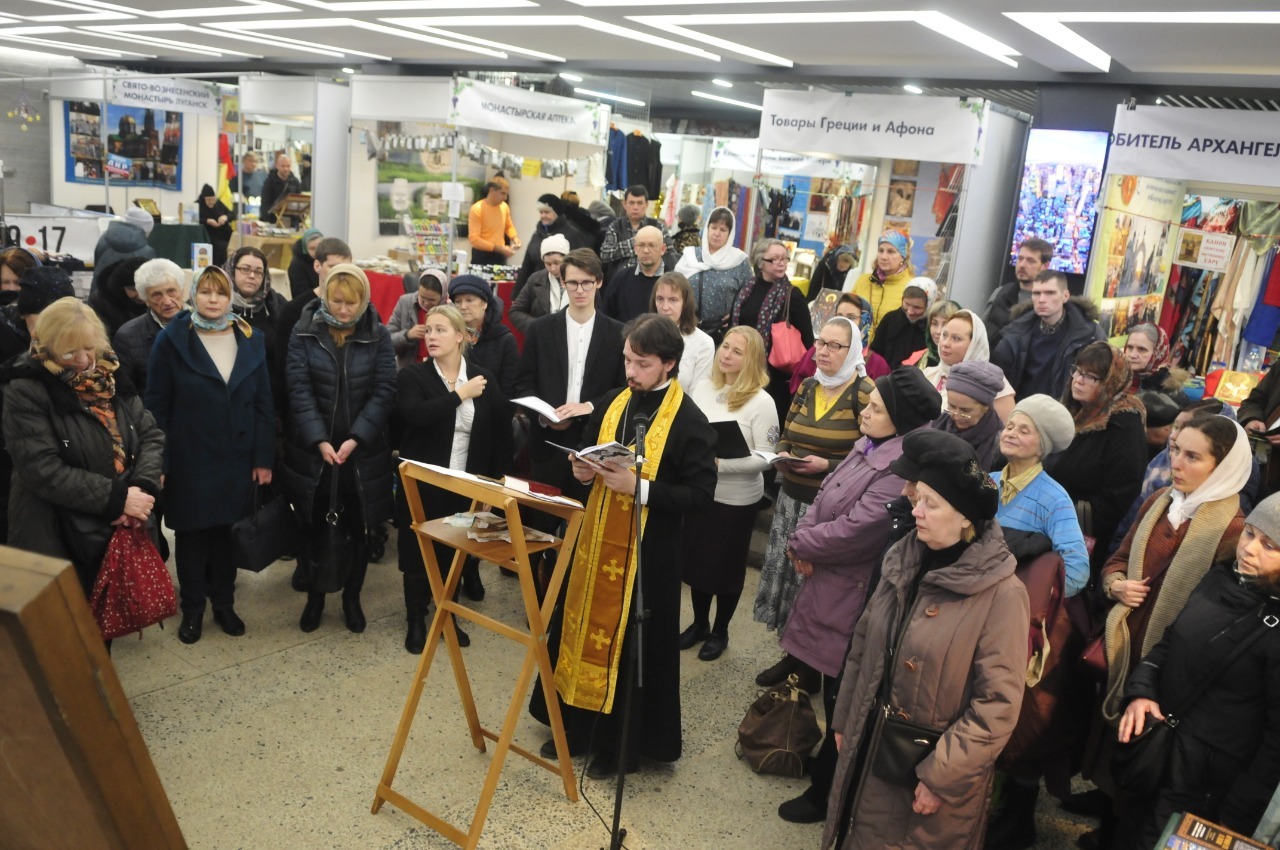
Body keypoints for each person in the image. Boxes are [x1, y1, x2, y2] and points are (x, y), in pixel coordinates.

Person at [820, 430, 1029, 850]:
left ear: (966, 516)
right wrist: (844, 720)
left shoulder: (1002, 594)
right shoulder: (903, 556)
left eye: (932, 504)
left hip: (929, 781)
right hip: (868, 751)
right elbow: (863, 645)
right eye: (918, 500)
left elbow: (997, 706)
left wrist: (940, 778)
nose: (917, 511)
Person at [531, 313, 717, 780]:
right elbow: (592, 461)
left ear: (670, 364)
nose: (631, 371)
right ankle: (574, 727)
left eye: (643, 363)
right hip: (594, 546)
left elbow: (700, 495)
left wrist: (642, 489)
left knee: (630, 648)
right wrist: (580, 473)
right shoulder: (613, 401)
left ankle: (617, 746)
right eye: (627, 359)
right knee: (575, 631)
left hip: (645, 558)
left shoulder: (690, 421)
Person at [776, 367, 942, 825]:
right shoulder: (868, 444)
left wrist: (804, 544)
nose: (864, 412)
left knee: (843, 696)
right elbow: (825, 496)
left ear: (902, 420)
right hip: (828, 578)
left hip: (853, 588)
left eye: (875, 408)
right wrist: (800, 537)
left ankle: (828, 792)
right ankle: (826, 774)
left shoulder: (898, 466)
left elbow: (860, 530)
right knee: (833, 685)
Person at [1113, 492, 1280, 850]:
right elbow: (1170, 641)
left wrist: (1236, 814)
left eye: (1271, 546)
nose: (1250, 549)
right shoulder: (1220, 577)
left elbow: (1276, 741)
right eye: (1250, 534)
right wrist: (1141, 692)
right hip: (1160, 751)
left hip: (1205, 784)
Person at [146, 267, 275, 644]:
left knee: (225, 537)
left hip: (237, 457)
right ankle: (193, 611)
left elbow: (265, 405)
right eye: (205, 292)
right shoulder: (171, 341)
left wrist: (263, 458)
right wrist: (161, 464)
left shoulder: (250, 338)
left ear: (230, 296)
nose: (213, 300)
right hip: (190, 459)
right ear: (193, 296)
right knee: (191, 538)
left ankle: (224, 604)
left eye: (220, 293)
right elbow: (156, 408)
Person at [4, 297, 163, 601]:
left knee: (107, 626)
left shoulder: (109, 373)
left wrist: (140, 490)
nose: (81, 359)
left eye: (88, 347)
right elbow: (41, 469)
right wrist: (117, 499)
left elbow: (151, 436)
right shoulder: (26, 385)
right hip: (57, 533)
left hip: (117, 526)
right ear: (46, 345)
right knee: (66, 631)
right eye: (68, 351)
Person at [753, 317, 873, 690]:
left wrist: (828, 466)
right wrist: (784, 453)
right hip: (792, 498)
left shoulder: (864, 391)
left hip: (828, 509)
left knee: (814, 587)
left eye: (834, 345)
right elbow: (787, 434)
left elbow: (871, 457)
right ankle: (792, 658)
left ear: (852, 351)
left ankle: (809, 667)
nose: (822, 351)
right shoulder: (808, 385)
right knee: (789, 581)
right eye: (820, 342)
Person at [283, 264, 395, 635]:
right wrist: (319, 439)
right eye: (337, 301)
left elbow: (384, 391)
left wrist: (356, 438)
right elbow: (297, 389)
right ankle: (315, 596)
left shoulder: (378, 336)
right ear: (326, 297)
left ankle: (352, 597)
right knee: (311, 526)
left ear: (363, 300)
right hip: (315, 453)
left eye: (352, 302)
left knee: (359, 528)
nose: (344, 310)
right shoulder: (304, 332)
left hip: (361, 454)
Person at [396, 304, 512, 653]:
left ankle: (448, 616)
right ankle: (415, 619)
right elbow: (415, 416)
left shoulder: (482, 378)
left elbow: (499, 436)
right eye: (428, 330)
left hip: (466, 485)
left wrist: (493, 486)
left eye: (440, 330)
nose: (431, 336)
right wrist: (459, 395)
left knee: (456, 553)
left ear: (460, 336)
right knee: (418, 552)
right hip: (422, 485)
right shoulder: (413, 377)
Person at [679, 326, 777, 661]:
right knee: (697, 561)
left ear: (751, 360)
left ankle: (720, 631)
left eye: (737, 351)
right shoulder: (703, 386)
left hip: (737, 499)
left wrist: (721, 464)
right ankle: (700, 624)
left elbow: (766, 458)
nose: (726, 354)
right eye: (725, 346)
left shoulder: (762, 402)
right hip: (701, 490)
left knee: (726, 567)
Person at [514, 247, 625, 525]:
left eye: (587, 282)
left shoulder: (617, 333)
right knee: (540, 526)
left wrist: (587, 406)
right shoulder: (540, 329)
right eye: (573, 282)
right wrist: (543, 415)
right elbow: (523, 383)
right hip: (547, 442)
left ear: (598, 282)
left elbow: (623, 389)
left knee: (586, 527)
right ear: (562, 282)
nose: (580, 290)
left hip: (594, 443)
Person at [1045, 342, 1148, 581]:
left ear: (1110, 382)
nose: (1079, 380)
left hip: (1084, 536)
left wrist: (1060, 513)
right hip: (1050, 522)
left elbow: (1119, 497)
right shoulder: (1074, 410)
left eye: (1092, 377)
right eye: (1078, 371)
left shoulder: (1123, 423)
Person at [991, 395, 1090, 596]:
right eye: (1009, 427)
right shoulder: (987, 481)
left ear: (1042, 447)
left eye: (1024, 430)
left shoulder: (1055, 500)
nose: (1011, 433)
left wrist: (1027, 597)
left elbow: (1077, 571)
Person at [731, 238, 814, 425]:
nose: (781, 262)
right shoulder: (746, 289)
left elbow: (809, 342)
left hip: (774, 378)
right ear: (760, 262)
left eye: (784, 258)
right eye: (775, 259)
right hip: (740, 370)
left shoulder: (793, 296)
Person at [992, 269, 1106, 401]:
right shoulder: (1015, 331)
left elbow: (1103, 380)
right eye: (1036, 293)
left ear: (1065, 296)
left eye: (1050, 293)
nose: (1041, 300)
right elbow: (997, 376)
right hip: (1020, 410)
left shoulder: (1090, 334)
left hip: (1065, 411)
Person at [673, 205, 752, 342]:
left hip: (722, 334)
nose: (717, 233)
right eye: (713, 227)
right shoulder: (690, 255)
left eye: (723, 230)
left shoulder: (739, 261)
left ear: (730, 233)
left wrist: (736, 315)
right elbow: (674, 288)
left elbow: (750, 296)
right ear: (707, 228)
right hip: (686, 329)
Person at [922, 309, 1016, 422]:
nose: (945, 343)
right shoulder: (928, 375)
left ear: (974, 344)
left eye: (956, 338)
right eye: (944, 335)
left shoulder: (994, 386)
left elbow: (1003, 432)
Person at [789, 293, 889, 395]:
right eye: (839, 316)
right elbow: (796, 390)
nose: (844, 321)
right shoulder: (816, 352)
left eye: (851, 317)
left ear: (865, 321)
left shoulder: (877, 364)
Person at [113, 258, 186, 396]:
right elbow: (126, 393)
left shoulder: (202, 327)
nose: (167, 301)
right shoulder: (127, 336)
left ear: (182, 291)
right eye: (157, 295)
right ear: (145, 300)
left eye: (171, 291)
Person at [448, 274, 518, 398]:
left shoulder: (504, 339)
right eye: (458, 301)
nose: (463, 307)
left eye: (469, 300)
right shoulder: (449, 335)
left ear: (484, 304)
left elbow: (509, 387)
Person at [931, 360, 1007, 471]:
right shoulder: (936, 425)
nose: (956, 416)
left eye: (965, 411)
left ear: (986, 408)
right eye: (951, 406)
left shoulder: (1000, 446)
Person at [598, 184, 677, 282]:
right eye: (631, 203)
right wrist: (636, 243)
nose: (635, 207)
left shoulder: (657, 227)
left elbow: (671, 255)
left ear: (646, 204)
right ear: (624, 204)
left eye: (640, 203)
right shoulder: (616, 226)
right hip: (621, 282)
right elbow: (605, 254)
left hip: (652, 282)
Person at [513, 193, 586, 298]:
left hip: (564, 290)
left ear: (557, 212)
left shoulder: (571, 234)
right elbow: (526, 267)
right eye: (541, 212)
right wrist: (516, 295)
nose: (543, 215)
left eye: (547, 212)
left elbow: (581, 265)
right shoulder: (537, 234)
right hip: (537, 290)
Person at [650, 271, 714, 389]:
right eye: (660, 299)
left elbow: (698, 393)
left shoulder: (704, 343)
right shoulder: (644, 335)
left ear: (685, 303)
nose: (665, 307)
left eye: (673, 300)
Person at [984, 237, 1051, 347]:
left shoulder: (1049, 304)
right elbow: (980, 333)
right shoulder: (1001, 293)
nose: (1022, 265)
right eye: (1020, 259)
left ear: (1045, 266)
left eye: (1030, 261)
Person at [852, 230, 914, 338]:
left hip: (890, 352)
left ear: (903, 256)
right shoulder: (863, 281)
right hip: (859, 350)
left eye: (891, 252)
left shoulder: (911, 286)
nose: (884, 257)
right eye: (881, 250)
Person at [603, 225, 666, 323]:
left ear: (663, 249)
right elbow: (606, 316)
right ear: (635, 249)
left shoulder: (673, 282)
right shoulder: (621, 279)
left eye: (652, 245)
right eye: (641, 245)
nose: (646, 251)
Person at [509, 234, 570, 334]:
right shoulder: (536, 279)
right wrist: (537, 327)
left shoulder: (581, 278)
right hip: (543, 340)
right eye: (548, 264)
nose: (553, 268)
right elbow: (515, 311)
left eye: (557, 263)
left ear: (567, 258)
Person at [387, 269, 446, 370]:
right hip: (407, 370)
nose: (426, 303)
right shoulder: (405, 302)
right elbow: (386, 341)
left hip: (438, 370)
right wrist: (407, 335)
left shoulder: (450, 310)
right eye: (422, 297)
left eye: (432, 300)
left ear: (442, 297)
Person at [869, 280, 930, 369]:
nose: (910, 311)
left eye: (917, 307)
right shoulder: (890, 319)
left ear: (928, 305)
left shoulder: (931, 326)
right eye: (907, 304)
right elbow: (876, 351)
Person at [90, 209, 155, 292]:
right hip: (128, 302)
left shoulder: (103, 239)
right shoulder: (146, 251)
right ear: (146, 230)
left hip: (98, 297)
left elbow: (97, 266)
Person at [87, 256, 149, 337]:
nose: (140, 295)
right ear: (121, 288)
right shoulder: (101, 302)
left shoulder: (162, 298)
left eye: (143, 288)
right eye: (132, 289)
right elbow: (99, 337)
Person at [1124, 323, 1188, 398]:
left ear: (1158, 353)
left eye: (1142, 349)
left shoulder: (1169, 391)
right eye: (1130, 347)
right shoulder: (1116, 378)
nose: (1132, 355)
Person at [467, 179, 520, 266]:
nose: (505, 198)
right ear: (491, 190)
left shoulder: (504, 207)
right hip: (482, 255)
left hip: (500, 255)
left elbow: (508, 226)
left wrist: (515, 238)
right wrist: (498, 248)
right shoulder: (477, 209)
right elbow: (474, 239)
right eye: (502, 193)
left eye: (507, 194)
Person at [196, 183, 233, 267]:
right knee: (219, 247)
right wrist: (206, 221)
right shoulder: (198, 205)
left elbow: (232, 214)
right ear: (203, 199)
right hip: (207, 236)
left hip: (222, 234)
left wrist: (225, 217)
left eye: (213, 199)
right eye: (208, 200)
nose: (211, 202)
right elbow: (193, 219)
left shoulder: (218, 204)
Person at [918, 298, 961, 369]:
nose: (938, 331)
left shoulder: (966, 366)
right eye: (934, 324)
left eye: (945, 324)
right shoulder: (919, 358)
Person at [260, 153, 301, 224]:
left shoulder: (295, 182)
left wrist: (298, 221)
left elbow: (299, 203)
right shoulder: (269, 182)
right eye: (283, 166)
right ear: (277, 166)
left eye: (288, 166)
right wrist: (267, 222)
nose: (286, 169)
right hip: (273, 221)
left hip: (292, 221)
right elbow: (265, 204)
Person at [287, 228, 323, 301]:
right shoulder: (297, 265)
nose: (316, 252)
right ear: (305, 248)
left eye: (319, 248)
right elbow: (299, 294)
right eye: (312, 248)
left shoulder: (324, 259)